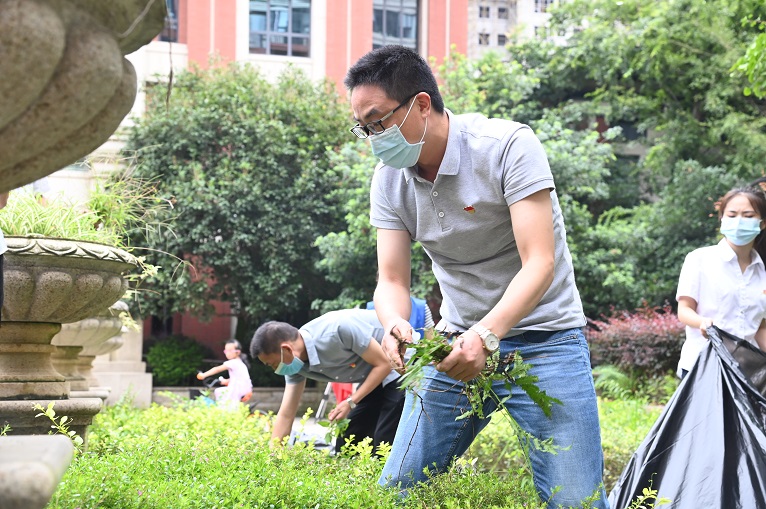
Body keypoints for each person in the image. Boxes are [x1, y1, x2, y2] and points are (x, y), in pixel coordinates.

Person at [344, 45, 607, 508]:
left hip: (547, 341)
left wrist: (487, 334)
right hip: (454, 346)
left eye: (378, 122)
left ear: (421, 104)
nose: (373, 138)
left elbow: (540, 262)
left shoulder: (506, 145)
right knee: (398, 492)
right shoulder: (388, 179)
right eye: (363, 128)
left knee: (575, 501)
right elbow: (392, 280)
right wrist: (394, 323)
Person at [250, 308, 403, 453]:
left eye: (274, 364)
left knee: (385, 439)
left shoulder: (337, 330)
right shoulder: (295, 365)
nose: (276, 370)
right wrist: (274, 456)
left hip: (401, 361)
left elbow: (384, 364)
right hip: (377, 374)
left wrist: (350, 402)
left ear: (287, 349)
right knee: (348, 442)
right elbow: (286, 415)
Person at [676, 186, 766, 378]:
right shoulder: (699, 259)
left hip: (747, 373)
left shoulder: (762, 271)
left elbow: (760, 327)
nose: (739, 221)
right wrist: (702, 322)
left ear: (762, 223)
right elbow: (684, 310)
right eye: (732, 215)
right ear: (722, 219)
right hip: (702, 369)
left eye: (748, 216)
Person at [196, 339, 253, 405]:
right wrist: (226, 381)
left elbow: (217, 369)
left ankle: (222, 410)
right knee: (222, 393)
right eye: (226, 351)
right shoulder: (240, 363)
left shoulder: (233, 362)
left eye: (230, 351)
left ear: (238, 352)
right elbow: (239, 378)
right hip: (246, 389)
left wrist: (204, 375)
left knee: (218, 392)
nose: (227, 353)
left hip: (237, 390)